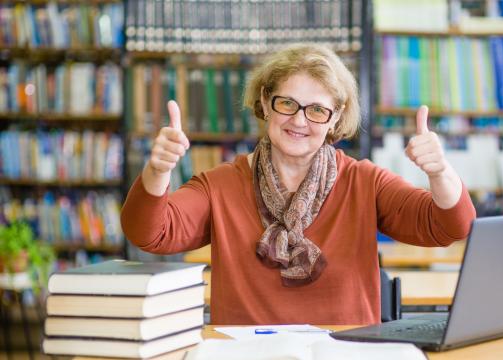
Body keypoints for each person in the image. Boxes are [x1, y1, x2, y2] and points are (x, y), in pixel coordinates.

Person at [121, 44, 476, 325]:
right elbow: (150, 233)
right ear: (265, 102)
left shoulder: (364, 181)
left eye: (317, 110)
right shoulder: (221, 184)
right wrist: (158, 170)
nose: (299, 121)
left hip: (346, 353)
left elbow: (449, 227)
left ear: (335, 116)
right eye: (287, 103)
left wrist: (440, 172)